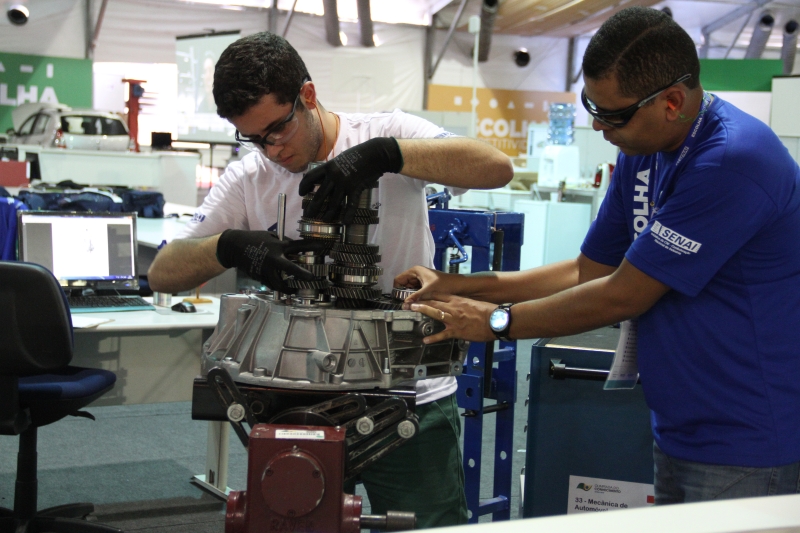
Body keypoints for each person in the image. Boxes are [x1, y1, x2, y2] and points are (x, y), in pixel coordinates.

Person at [396, 6, 800, 505]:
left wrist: (496, 322)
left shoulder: (733, 162)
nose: (597, 126)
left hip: (746, 436)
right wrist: (457, 284)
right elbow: (588, 270)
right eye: (591, 105)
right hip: (680, 422)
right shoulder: (643, 149)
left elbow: (621, 295)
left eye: (612, 114)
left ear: (672, 101)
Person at [148, 32, 513, 527]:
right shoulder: (248, 179)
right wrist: (230, 246)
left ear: (308, 96)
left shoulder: (387, 131)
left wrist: (387, 155)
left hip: (405, 400)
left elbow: (496, 167)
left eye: (277, 130)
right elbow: (163, 273)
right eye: (253, 138)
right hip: (294, 407)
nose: (271, 150)